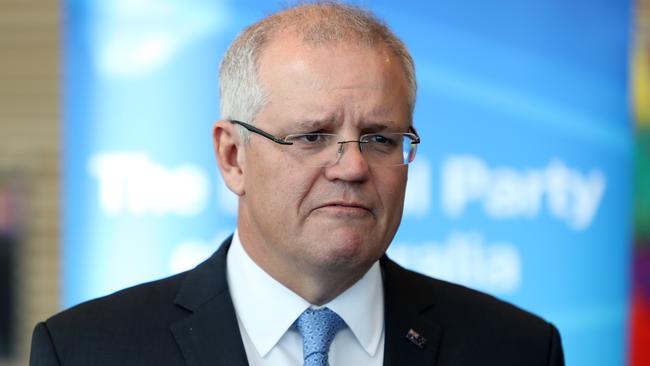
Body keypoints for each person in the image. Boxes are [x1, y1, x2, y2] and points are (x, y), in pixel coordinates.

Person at [30, 2, 564, 365]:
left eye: (379, 139)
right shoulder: (87, 351)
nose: (352, 167)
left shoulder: (514, 348)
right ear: (232, 156)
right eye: (311, 137)